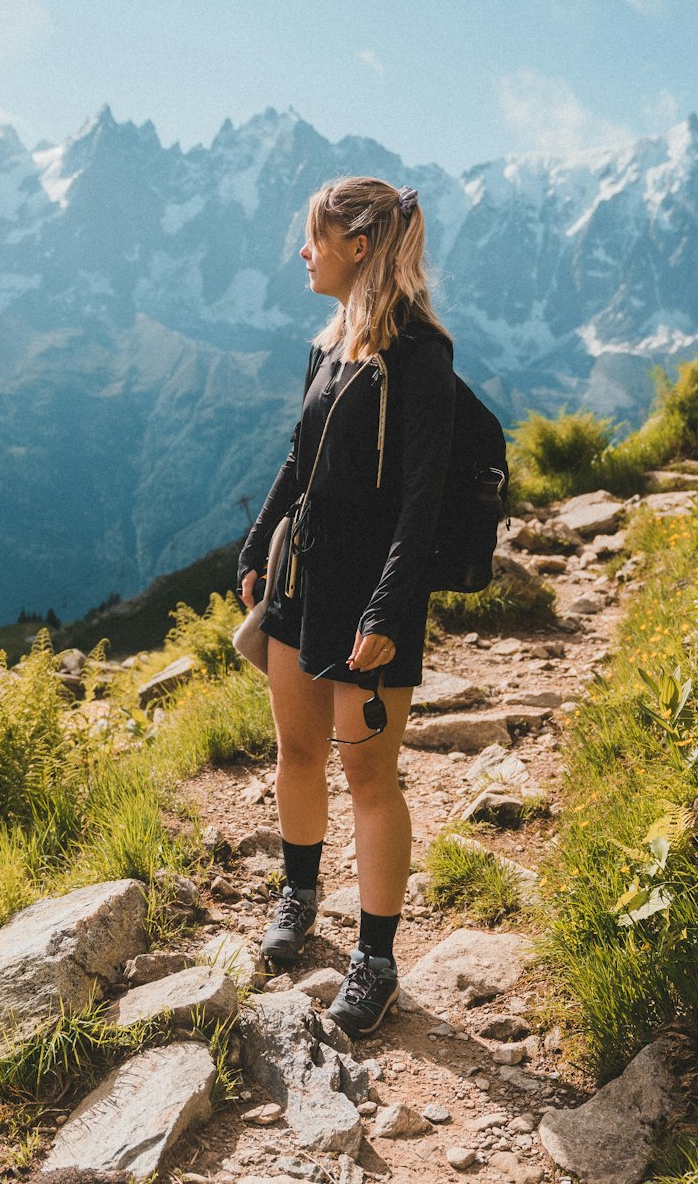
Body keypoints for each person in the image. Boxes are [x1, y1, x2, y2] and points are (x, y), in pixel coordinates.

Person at [236, 175, 455, 1038]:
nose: (302, 251)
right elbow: (299, 462)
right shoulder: (331, 343)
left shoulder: (422, 355)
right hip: (302, 581)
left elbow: (423, 501)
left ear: (358, 246)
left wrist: (389, 613)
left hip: (372, 597)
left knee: (369, 775)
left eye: (314, 237)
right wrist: (257, 546)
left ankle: (375, 959)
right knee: (296, 748)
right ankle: (298, 897)